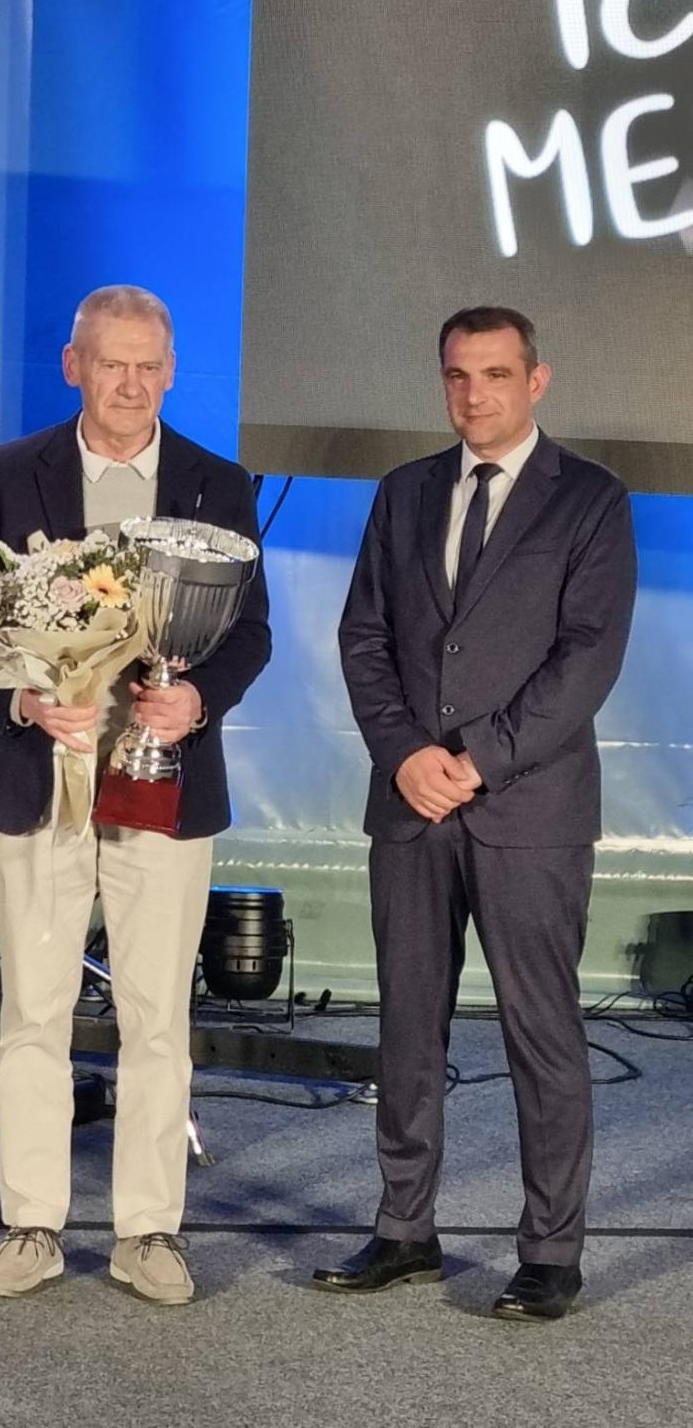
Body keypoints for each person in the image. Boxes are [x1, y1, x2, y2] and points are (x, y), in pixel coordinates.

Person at [0, 285, 271, 1304]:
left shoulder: (218, 483)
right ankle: (31, 1224)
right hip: (36, 778)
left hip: (163, 785)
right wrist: (23, 699)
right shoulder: (7, 473)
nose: (129, 384)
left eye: (147, 366)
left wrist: (197, 701)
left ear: (169, 373)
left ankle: (149, 1232)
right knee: (33, 1011)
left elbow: (251, 633)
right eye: (110, 362)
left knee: (156, 1015)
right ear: (73, 366)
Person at [321, 306, 636, 1321]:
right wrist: (406, 755)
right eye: (458, 375)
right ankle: (404, 1229)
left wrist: (474, 760)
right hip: (411, 804)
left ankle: (550, 1251)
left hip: (529, 810)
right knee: (407, 1026)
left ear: (536, 380)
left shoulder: (591, 498)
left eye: (496, 374)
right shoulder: (403, 492)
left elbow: (586, 658)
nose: (475, 394)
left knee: (541, 1031)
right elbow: (364, 637)